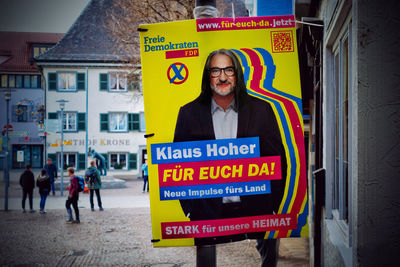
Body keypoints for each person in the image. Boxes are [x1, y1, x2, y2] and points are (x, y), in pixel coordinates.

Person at [174, 49, 287, 266]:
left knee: (269, 259)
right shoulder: (188, 113)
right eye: (215, 70)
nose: (223, 77)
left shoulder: (262, 110)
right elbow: (179, 165)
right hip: (207, 210)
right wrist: (190, 209)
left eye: (228, 69)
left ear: (238, 74)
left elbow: (277, 158)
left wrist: (273, 204)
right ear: (207, 76)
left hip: (257, 207)